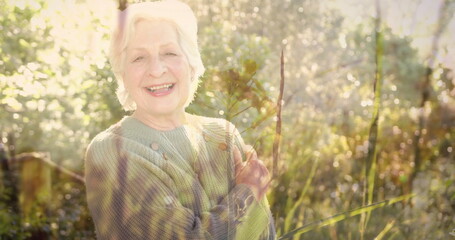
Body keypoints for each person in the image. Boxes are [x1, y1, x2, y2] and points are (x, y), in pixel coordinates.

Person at [84, 0, 276, 239]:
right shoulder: (113, 150)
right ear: (123, 73)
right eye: (138, 58)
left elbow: (264, 234)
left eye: (169, 53)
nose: (156, 69)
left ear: (191, 64)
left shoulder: (223, 134)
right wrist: (248, 191)